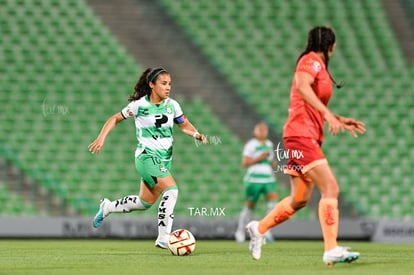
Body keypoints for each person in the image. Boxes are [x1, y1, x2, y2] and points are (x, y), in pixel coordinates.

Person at [246, 26, 366, 266]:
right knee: (330, 187)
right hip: (301, 135)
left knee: (299, 199)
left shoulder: (317, 66)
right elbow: (302, 86)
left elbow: (309, 103)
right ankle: (331, 248)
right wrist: (329, 115)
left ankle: (258, 228)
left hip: (301, 134)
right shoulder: (310, 61)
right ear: (331, 47)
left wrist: (338, 118)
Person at [88, 67, 208, 249]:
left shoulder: (172, 105)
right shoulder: (139, 105)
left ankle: (108, 207)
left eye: (170, 84)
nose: (168, 87)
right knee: (172, 190)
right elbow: (115, 118)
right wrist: (101, 137)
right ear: (152, 85)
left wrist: (196, 134)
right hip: (146, 157)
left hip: (163, 160)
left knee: (144, 202)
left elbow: (184, 124)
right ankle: (163, 237)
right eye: (163, 83)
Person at [234, 122, 279, 243]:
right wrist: (259, 157)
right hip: (254, 179)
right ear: (255, 132)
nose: (262, 132)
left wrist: (272, 162)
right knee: (250, 206)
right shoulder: (251, 145)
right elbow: (244, 163)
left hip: (268, 178)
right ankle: (240, 232)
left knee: (274, 203)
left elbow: (270, 160)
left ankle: (266, 229)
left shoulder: (269, 144)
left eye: (264, 130)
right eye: (260, 130)